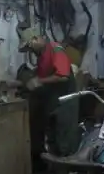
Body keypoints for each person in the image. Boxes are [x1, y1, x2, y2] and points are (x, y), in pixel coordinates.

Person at [18, 27, 80, 158]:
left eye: (30, 47)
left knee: (65, 142)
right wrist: (20, 84)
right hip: (53, 104)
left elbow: (63, 76)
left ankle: (69, 169)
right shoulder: (41, 58)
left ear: (36, 39)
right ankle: (55, 169)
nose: (31, 51)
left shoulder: (55, 49)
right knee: (53, 142)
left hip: (66, 104)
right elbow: (43, 81)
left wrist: (39, 81)